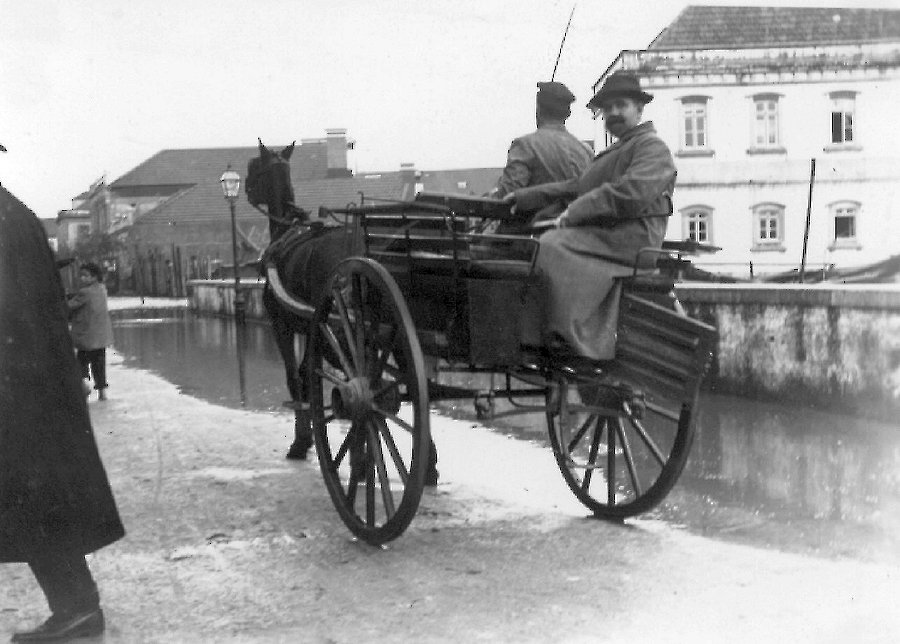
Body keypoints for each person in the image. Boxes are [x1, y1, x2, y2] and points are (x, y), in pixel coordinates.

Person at [1, 186, 125, 642]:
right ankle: (77, 607)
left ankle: (77, 608)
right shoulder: (11, 214)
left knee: (39, 500)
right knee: (37, 500)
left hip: (22, 387)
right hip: (28, 382)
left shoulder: (5, 221)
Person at [504, 71, 677, 360]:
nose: (614, 113)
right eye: (608, 108)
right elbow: (577, 186)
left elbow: (631, 193)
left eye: (621, 105)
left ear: (639, 108)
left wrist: (574, 212)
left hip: (632, 238)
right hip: (613, 234)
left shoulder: (651, 147)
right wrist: (523, 197)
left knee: (551, 246)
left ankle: (571, 339)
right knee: (539, 241)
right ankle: (543, 333)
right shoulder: (619, 148)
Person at [488, 81, 592, 233]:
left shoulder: (524, 145)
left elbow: (507, 195)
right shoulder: (585, 151)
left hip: (531, 235)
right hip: (578, 234)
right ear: (568, 114)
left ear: (538, 109)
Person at [67, 262, 114, 401]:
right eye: (81, 275)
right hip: (100, 337)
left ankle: (83, 387)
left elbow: (69, 306)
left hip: (87, 337)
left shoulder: (85, 292)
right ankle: (102, 393)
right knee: (99, 365)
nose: (82, 278)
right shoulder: (102, 289)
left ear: (94, 277)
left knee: (81, 364)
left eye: (85, 276)